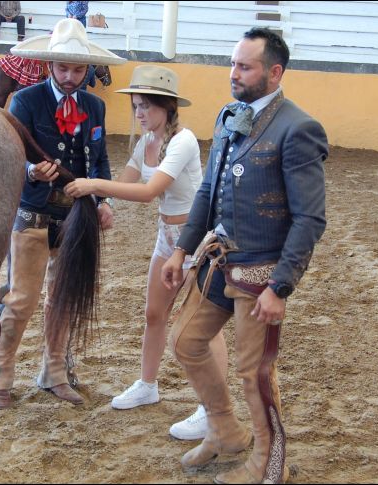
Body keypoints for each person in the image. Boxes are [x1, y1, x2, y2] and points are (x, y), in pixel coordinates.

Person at [161, 27, 328, 483]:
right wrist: (181, 250)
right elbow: (208, 191)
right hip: (218, 260)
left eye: (245, 66)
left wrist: (281, 286)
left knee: (254, 372)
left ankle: (270, 465)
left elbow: (310, 219)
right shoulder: (227, 115)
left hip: (262, 271)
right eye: (233, 63)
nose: (233, 73)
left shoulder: (299, 128)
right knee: (185, 342)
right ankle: (225, 432)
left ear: (274, 72)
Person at [63, 65, 227, 440]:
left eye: (147, 107)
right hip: (166, 235)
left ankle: (211, 407)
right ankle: (148, 385)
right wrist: (104, 202)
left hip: (195, 238)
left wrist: (93, 185)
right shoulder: (145, 142)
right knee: (155, 313)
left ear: (167, 107)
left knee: (201, 322)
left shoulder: (182, 141)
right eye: (136, 106)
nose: (139, 113)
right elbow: (128, 181)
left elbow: (151, 190)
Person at [0, 18, 126, 410]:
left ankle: (54, 373)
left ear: (87, 70)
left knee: (64, 298)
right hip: (33, 212)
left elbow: (98, 160)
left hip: (75, 219)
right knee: (21, 300)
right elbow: (9, 157)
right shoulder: (26, 101)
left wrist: (104, 201)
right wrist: (30, 172)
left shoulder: (95, 106)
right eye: (63, 68)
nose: (70, 77)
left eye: (78, 69)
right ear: (50, 66)